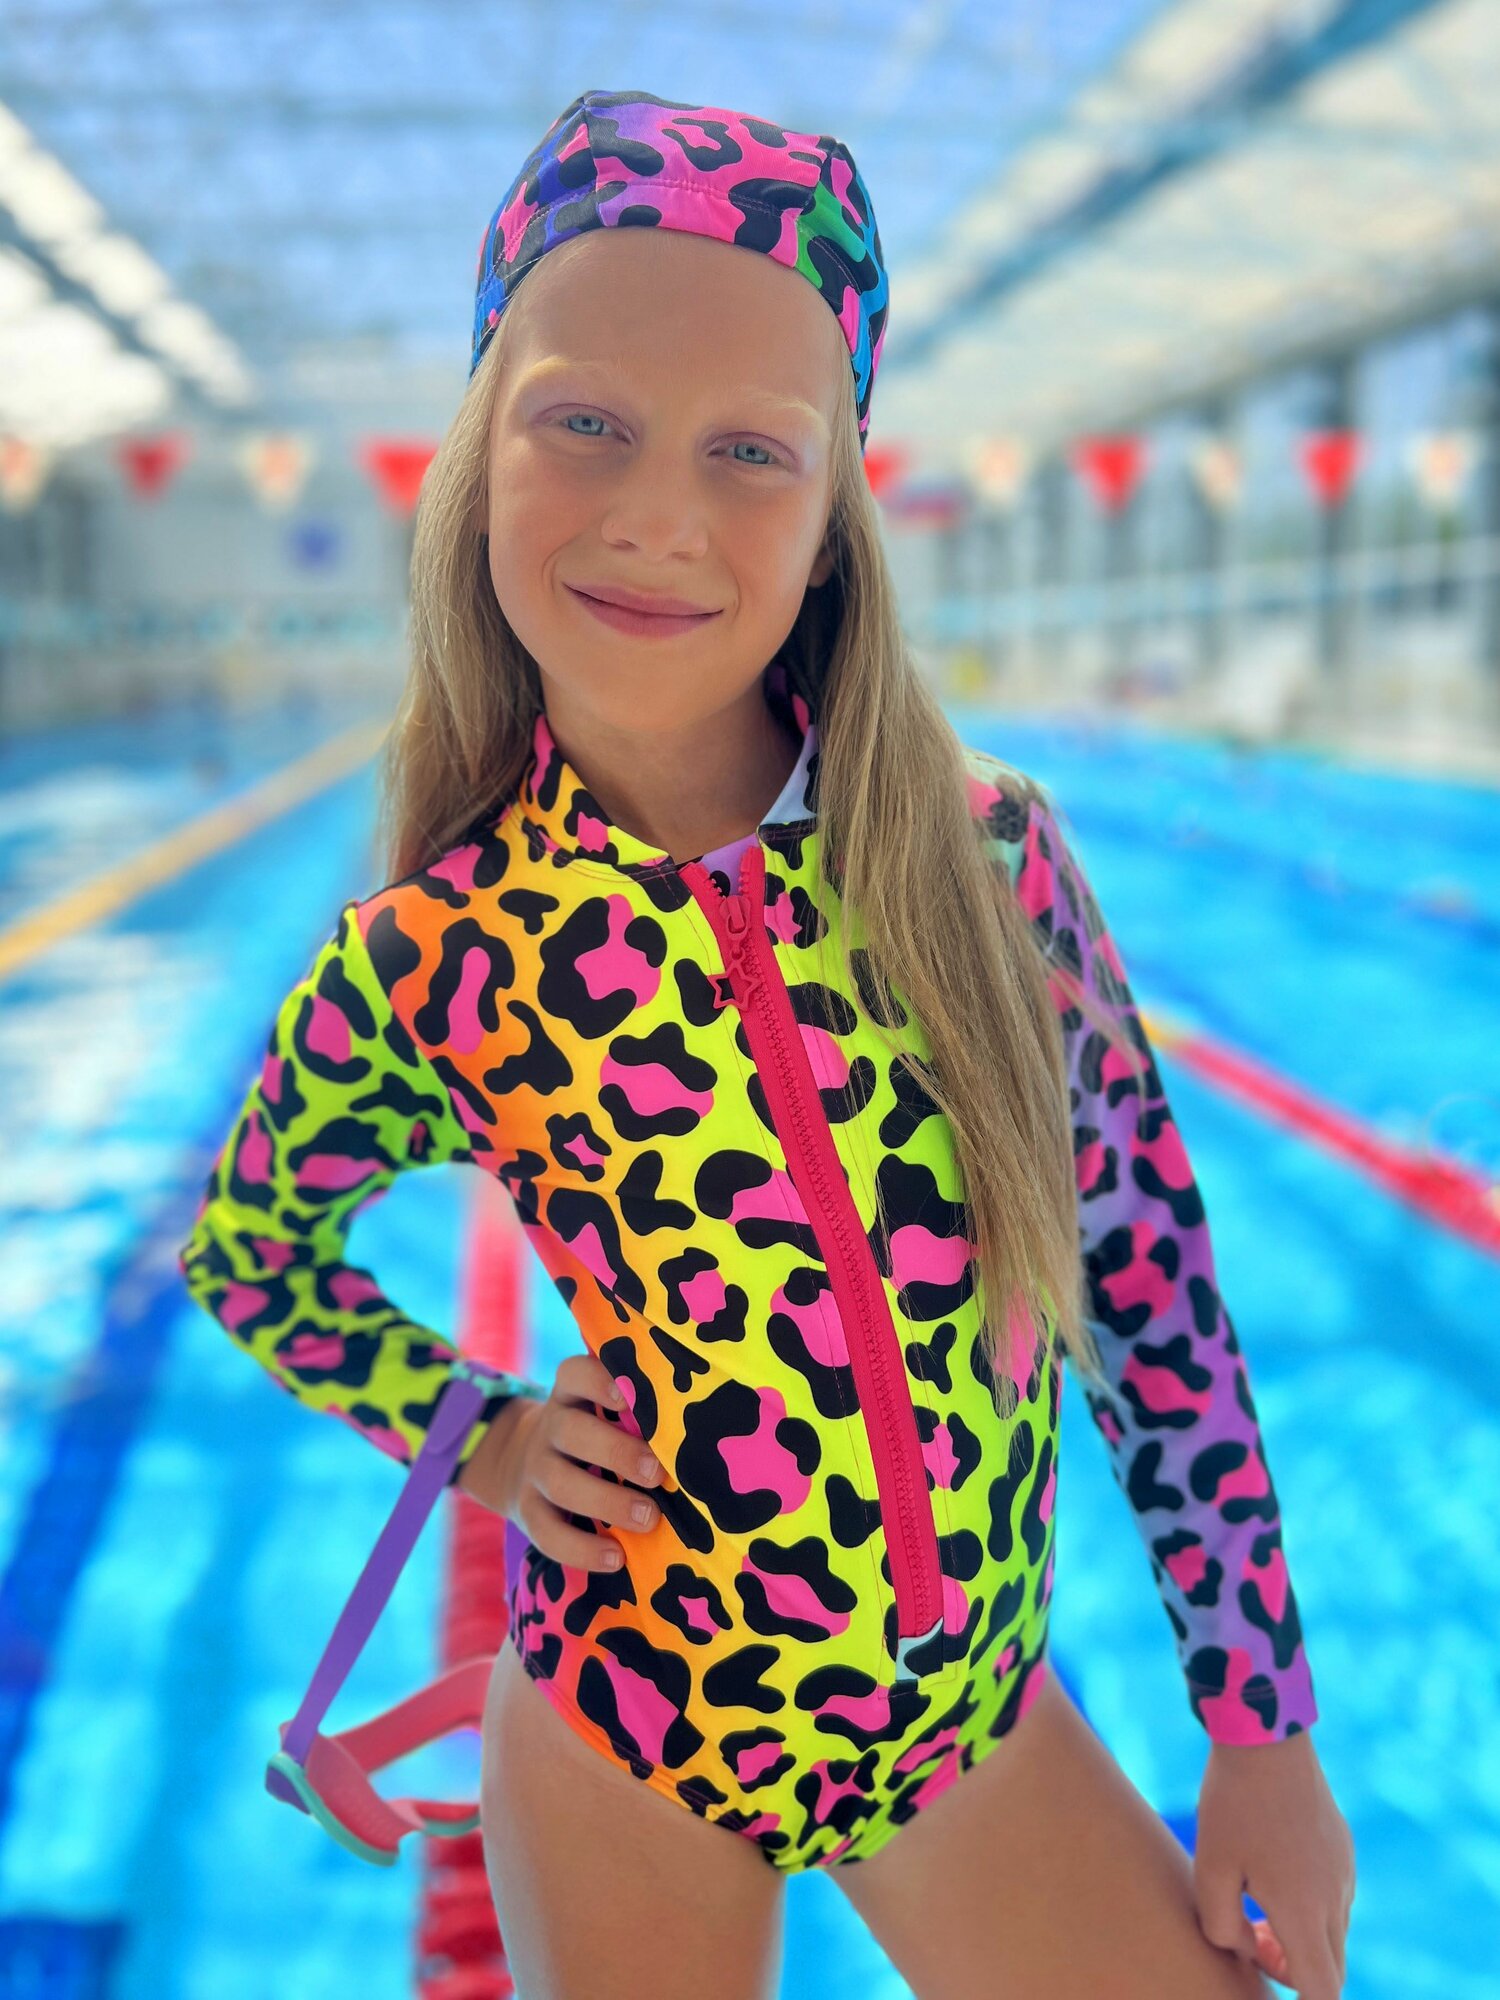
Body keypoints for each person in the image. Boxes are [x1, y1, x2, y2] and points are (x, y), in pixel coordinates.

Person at [177, 87, 1354, 2000]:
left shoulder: (988, 863)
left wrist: (1262, 1731)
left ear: (828, 527)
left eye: (750, 451)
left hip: (965, 1735)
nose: (659, 514)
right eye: (585, 421)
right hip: (634, 1739)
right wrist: (483, 1438)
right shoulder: (443, 955)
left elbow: (1148, 1293)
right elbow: (250, 1253)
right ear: (479, 456)